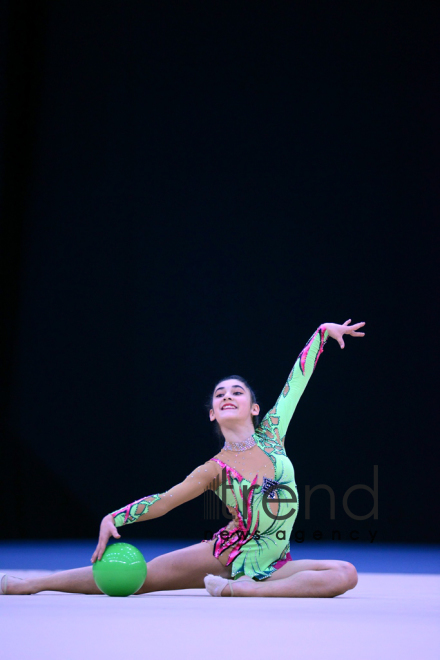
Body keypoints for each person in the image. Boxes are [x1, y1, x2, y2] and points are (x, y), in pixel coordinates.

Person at [1, 320, 365, 598]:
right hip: (226, 555)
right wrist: (115, 516)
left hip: (273, 565)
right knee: (137, 578)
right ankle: (29, 585)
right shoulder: (213, 470)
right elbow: (165, 502)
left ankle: (245, 591)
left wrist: (321, 334)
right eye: (219, 394)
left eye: (237, 392)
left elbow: (295, 383)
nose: (227, 396)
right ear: (212, 414)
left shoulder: (272, 432)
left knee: (345, 573)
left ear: (254, 408)